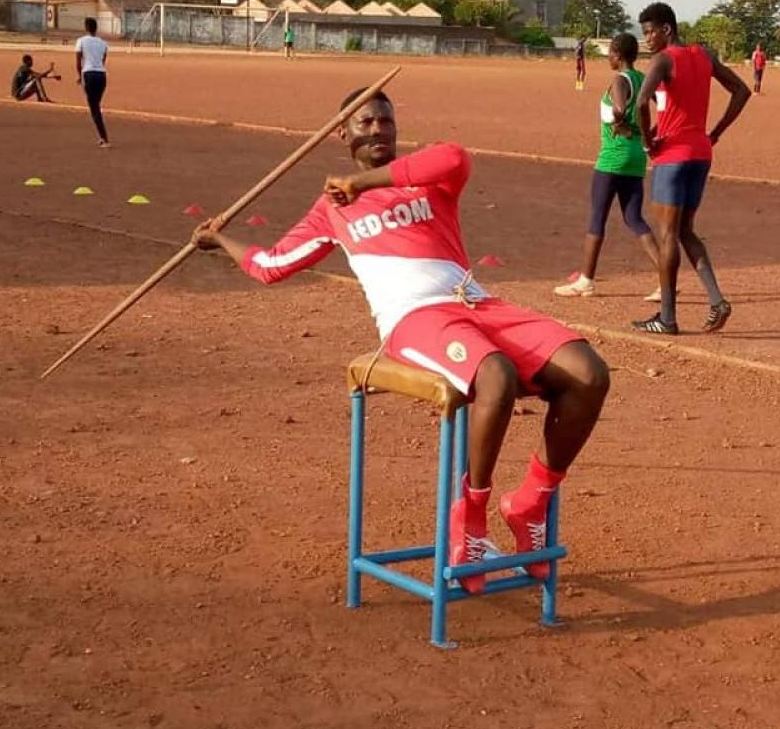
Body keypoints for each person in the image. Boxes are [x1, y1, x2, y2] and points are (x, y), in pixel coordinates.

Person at [192, 88, 611, 594]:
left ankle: (529, 502)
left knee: (589, 373)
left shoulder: (427, 177)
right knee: (494, 376)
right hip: (414, 320)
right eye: (365, 123)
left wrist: (360, 182)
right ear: (342, 133)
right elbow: (270, 266)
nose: (377, 131)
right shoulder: (330, 212)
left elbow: (454, 155)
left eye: (385, 122)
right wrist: (221, 241)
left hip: (474, 303)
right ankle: (470, 517)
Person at [630, 2, 750, 335]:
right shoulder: (705, 56)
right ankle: (716, 300)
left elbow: (641, 101)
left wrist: (646, 142)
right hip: (700, 152)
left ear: (667, 29)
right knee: (685, 231)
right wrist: (717, 131)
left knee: (668, 234)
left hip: (672, 156)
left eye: (651, 32)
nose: (648, 40)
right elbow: (741, 90)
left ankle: (667, 317)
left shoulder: (663, 60)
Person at [555, 32, 662, 301]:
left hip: (613, 156)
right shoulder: (642, 79)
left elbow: (618, 107)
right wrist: (646, 133)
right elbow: (664, 109)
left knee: (597, 218)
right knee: (634, 218)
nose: (609, 59)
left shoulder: (619, 79)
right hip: (637, 155)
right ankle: (666, 278)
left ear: (617, 54)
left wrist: (618, 120)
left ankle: (586, 281)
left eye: (610, 54)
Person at [75, 18, 109, 147]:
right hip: (101, 75)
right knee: (96, 105)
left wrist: (79, 76)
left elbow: (78, 61)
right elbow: (102, 60)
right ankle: (102, 136)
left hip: (89, 74)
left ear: (86, 28)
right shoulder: (103, 43)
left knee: (94, 107)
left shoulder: (81, 41)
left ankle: (104, 138)